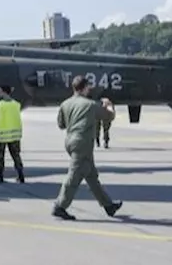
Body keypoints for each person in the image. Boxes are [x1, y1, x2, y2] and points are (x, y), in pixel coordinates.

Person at [52, 75, 122, 220]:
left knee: (91, 176)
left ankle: (108, 206)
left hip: (71, 140)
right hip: (82, 143)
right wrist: (108, 104)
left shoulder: (65, 104)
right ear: (84, 88)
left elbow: (61, 125)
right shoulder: (90, 104)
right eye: (88, 87)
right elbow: (109, 116)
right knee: (74, 175)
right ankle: (60, 206)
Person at [0, 85, 25, 184]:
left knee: (0, 157)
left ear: (4, 92)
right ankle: (20, 175)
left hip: (1, 135)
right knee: (16, 156)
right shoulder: (17, 104)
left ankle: (0, 177)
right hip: (14, 135)